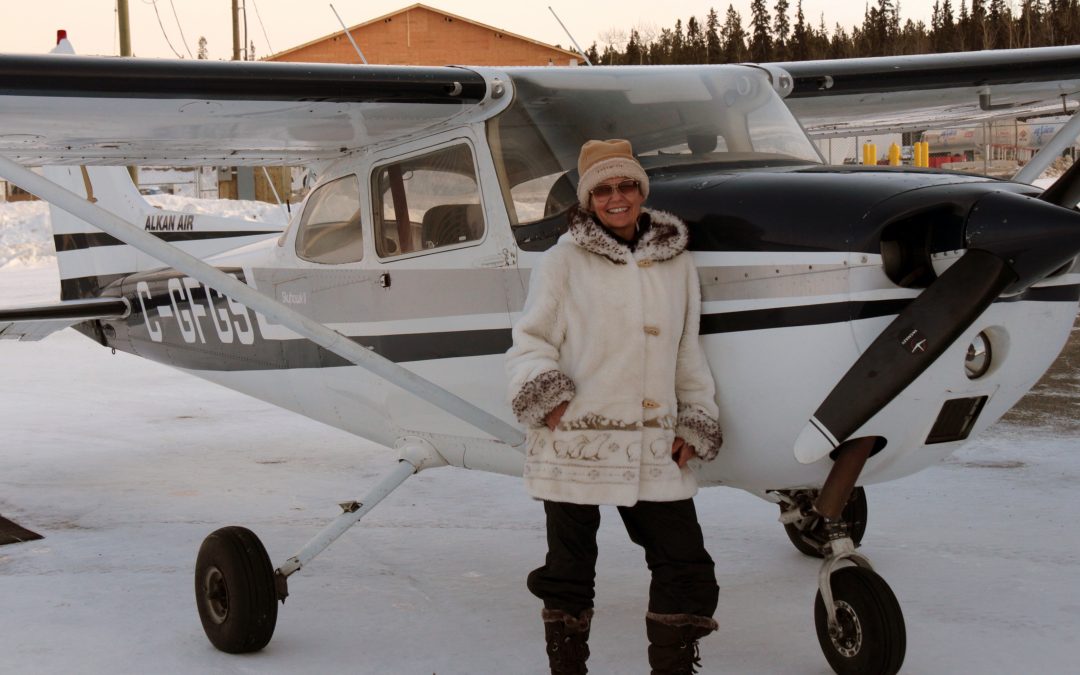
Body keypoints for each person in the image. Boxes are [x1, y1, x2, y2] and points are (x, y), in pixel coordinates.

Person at [506, 139, 723, 675]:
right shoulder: (561, 261)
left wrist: (696, 418)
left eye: (626, 186)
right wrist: (548, 399)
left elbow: (686, 353)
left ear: (641, 191)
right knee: (569, 571)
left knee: (685, 565)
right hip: (578, 436)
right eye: (602, 189)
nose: (616, 198)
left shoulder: (677, 263)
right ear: (587, 199)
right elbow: (530, 343)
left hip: (653, 441)